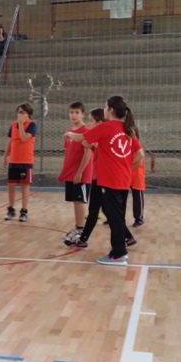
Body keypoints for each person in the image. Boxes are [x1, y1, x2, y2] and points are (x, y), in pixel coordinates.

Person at [66, 96, 140, 266]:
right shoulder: (128, 128)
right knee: (117, 217)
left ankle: (119, 254)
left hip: (110, 181)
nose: (104, 109)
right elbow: (139, 155)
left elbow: (81, 138)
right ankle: (117, 251)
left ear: (111, 110)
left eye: (106, 107)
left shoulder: (107, 127)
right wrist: (126, 168)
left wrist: (69, 134)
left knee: (114, 219)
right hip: (123, 180)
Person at [58, 102, 93, 242]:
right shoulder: (69, 132)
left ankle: (81, 230)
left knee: (79, 201)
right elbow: (70, 154)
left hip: (81, 174)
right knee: (75, 201)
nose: (73, 115)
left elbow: (87, 154)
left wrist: (79, 173)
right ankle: (78, 227)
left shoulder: (85, 131)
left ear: (83, 114)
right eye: (71, 112)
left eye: (77, 112)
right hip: (71, 173)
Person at [3, 103, 36, 223]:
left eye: (23, 112)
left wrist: (21, 124)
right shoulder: (13, 125)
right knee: (11, 185)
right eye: (19, 112)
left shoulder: (32, 125)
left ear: (28, 114)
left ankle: (24, 211)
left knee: (24, 186)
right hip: (14, 160)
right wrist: (5, 156)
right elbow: (11, 141)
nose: (20, 114)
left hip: (26, 161)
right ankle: (11, 209)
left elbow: (24, 138)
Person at [130, 127, 146, 228]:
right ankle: (115, 217)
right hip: (127, 175)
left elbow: (139, 163)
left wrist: (127, 169)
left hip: (136, 175)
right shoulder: (125, 144)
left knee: (137, 197)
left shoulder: (137, 146)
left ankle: (139, 218)